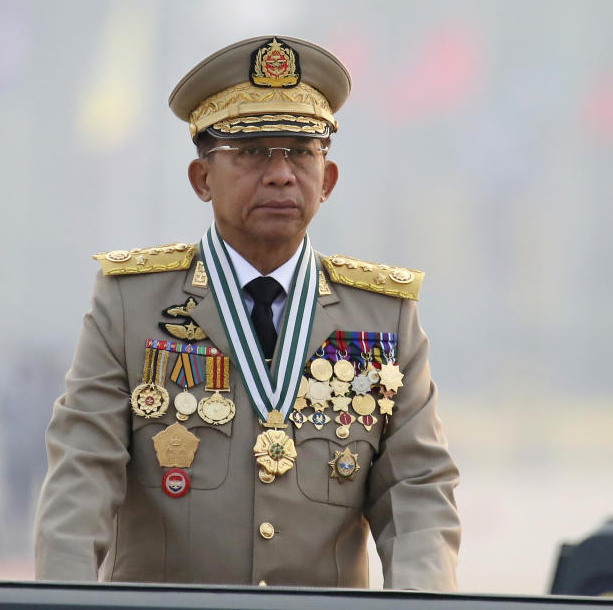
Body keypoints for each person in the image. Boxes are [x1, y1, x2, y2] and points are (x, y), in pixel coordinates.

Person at [34, 35, 461, 590]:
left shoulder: (383, 316)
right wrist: (61, 605)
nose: (281, 173)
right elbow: (80, 479)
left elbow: (418, 491)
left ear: (327, 180)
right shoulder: (131, 305)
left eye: (302, 152)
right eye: (254, 150)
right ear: (202, 179)